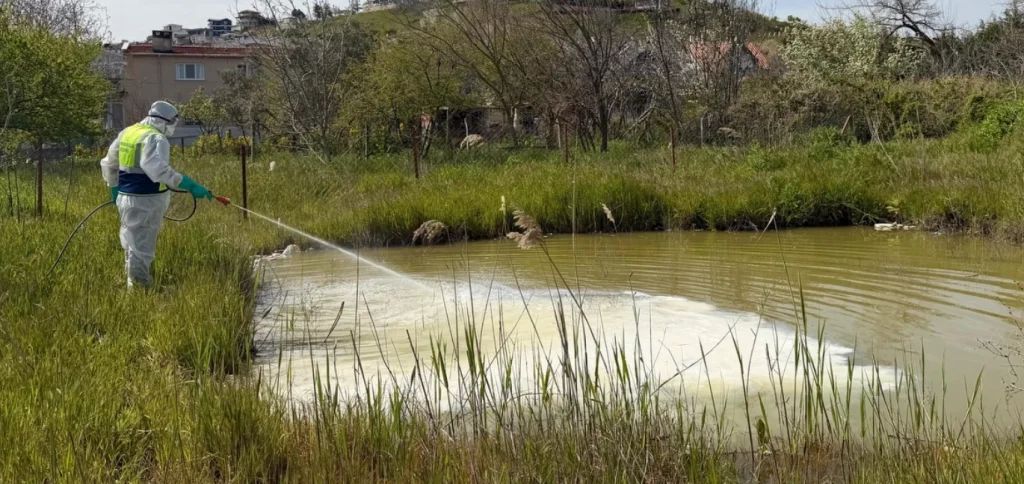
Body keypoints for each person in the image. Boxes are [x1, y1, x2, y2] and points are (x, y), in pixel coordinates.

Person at [100, 101, 214, 289]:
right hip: (146, 200)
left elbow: (108, 163)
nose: (172, 129)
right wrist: (190, 185)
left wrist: (113, 187)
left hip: (126, 197)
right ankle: (140, 291)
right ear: (164, 121)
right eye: (172, 124)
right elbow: (158, 171)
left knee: (131, 243)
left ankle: (132, 284)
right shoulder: (155, 138)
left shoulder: (129, 132)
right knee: (142, 248)